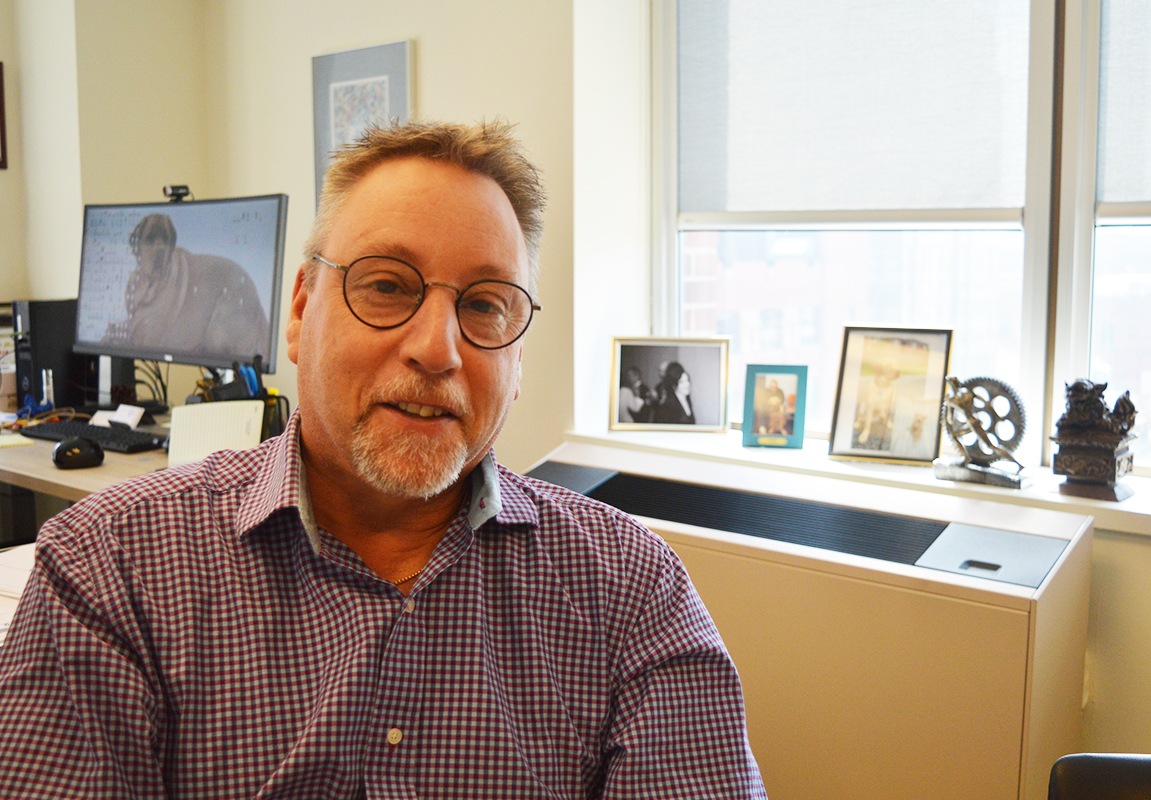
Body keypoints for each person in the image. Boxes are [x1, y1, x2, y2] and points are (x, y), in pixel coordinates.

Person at [0, 120, 766, 798]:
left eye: (483, 304)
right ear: (299, 312)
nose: (437, 349)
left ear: (519, 355)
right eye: (388, 287)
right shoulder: (111, 568)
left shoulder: (630, 590)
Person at [103, 213, 272, 359]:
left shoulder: (172, 281)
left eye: (165, 241)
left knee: (216, 343)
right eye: (150, 239)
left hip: (235, 297)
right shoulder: (136, 284)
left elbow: (150, 340)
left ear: (172, 246)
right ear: (137, 246)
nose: (159, 247)